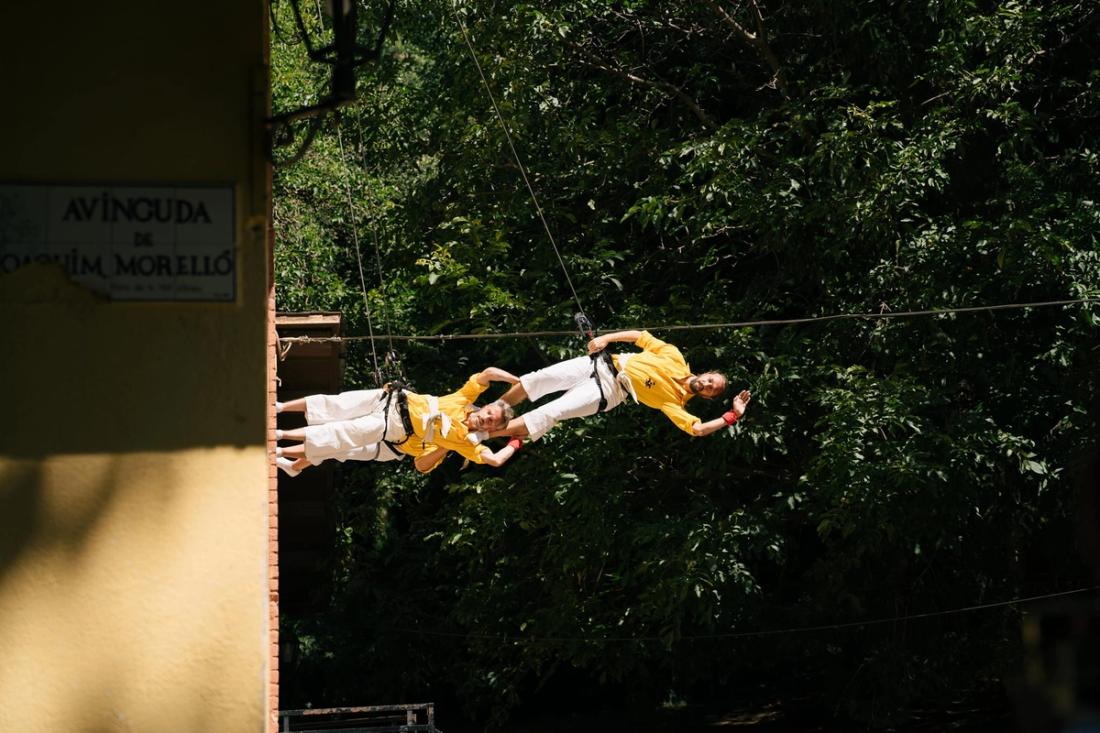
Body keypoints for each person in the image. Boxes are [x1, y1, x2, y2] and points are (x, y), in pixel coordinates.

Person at [492, 329, 751, 441]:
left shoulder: (675, 403)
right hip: (600, 363)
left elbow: (698, 429)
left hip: (609, 391)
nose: (706, 384)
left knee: (551, 412)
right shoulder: (675, 357)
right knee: (536, 379)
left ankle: (485, 434)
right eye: (709, 380)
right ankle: (488, 412)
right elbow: (641, 337)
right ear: (705, 372)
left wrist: (732, 416)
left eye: (711, 389)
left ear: (707, 397)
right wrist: (606, 338)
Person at [274, 367, 525, 476]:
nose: (485, 419)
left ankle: (281, 440)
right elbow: (489, 373)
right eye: (489, 413)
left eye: (491, 423)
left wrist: (515, 443)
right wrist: (520, 382)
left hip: (394, 431)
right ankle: (280, 408)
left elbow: (494, 460)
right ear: (488, 406)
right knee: (336, 405)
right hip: (392, 398)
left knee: (341, 438)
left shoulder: (462, 441)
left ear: (491, 429)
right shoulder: (464, 400)